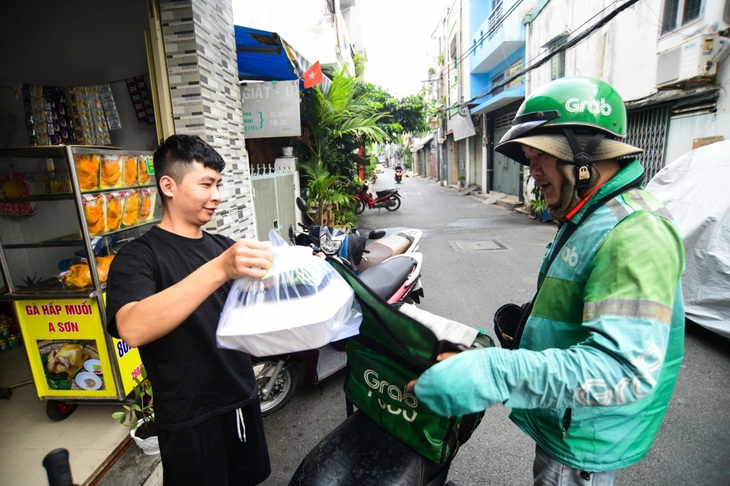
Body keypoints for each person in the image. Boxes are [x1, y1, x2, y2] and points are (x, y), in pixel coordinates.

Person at [409, 77, 685, 485]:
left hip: (583, 436)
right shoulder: (593, 214)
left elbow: (622, 370)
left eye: (540, 155)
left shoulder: (634, 233)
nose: (531, 170)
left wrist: (494, 372)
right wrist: (529, 324)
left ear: (585, 155)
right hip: (568, 415)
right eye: (528, 157)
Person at [105, 134, 273, 485]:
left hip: (240, 398)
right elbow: (132, 327)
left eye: (219, 184)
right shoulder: (138, 257)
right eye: (207, 184)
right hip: (189, 419)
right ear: (168, 185)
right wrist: (220, 270)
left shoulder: (222, 246)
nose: (218, 196)